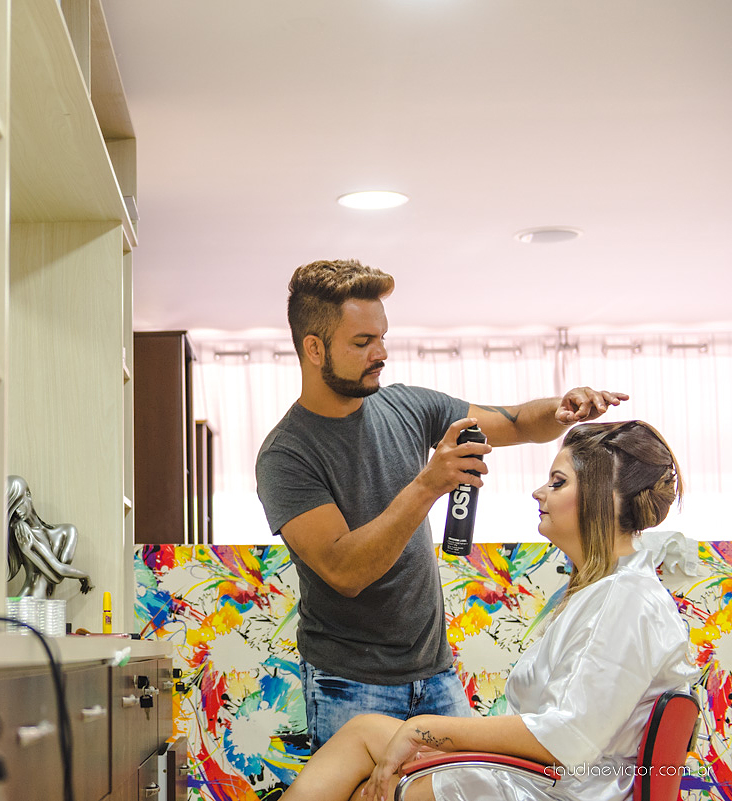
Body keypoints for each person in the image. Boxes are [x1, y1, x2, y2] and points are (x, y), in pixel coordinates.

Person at [256, 259, 629, 749]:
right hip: (349, 685)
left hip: (436, 675)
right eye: (363, 342)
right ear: (313, 348)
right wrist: (430, 483)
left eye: (382, 337)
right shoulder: (286, 454)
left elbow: (516, 422)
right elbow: (345, 570)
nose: (381, 353)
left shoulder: (408, 406)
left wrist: (561, 409)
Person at [279, 419, 698, 801]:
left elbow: (566, 740)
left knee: (372, 789)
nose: (538, 492)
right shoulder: (609, 590)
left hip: (558, 790)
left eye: (557, 482)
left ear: (601, 498)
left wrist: (432, 730)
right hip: (549, 777)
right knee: (363, 731)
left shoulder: (624, 600)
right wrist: (429, 735)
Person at [5, 474, 92, 598]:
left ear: (28, 495)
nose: (17, 512)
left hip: (45, 608)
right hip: (27, 604)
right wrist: (27, 551)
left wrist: (29, 549)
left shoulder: (68, 531)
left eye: (18, 504)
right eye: (12, 510)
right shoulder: (23, 533)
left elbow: (59, 573)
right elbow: (56, 577)